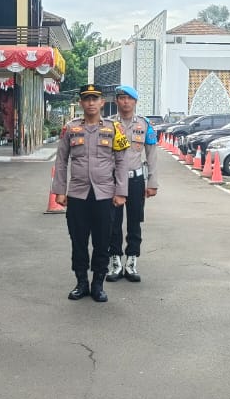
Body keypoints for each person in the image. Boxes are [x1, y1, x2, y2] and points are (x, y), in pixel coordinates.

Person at [52, 83, 129, 302]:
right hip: (77, 194)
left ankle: (98, 284)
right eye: (86, 99)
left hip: (105, 194)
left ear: (102, 102)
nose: (91, 103)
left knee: (102, 241)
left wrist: (121, 191)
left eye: (95, 99)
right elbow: (61, 160)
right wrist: (60, 190)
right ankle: (81, 282)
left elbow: (122, 161)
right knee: (78, 240)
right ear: (81, 103)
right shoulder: (70, 128)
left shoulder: (114, 128)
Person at [105, 85, 158, 283]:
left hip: (135, 180)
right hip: (113, 180)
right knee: (113, 222)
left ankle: (132, 261)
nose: (125, 102)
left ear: (135, 102)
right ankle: (116, 261)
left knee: (135, 222)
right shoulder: (108, 124)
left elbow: (151, 154)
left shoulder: (145, 124)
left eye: (129, 98)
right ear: (116, 101)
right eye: (122, 98)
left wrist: (152, 181)